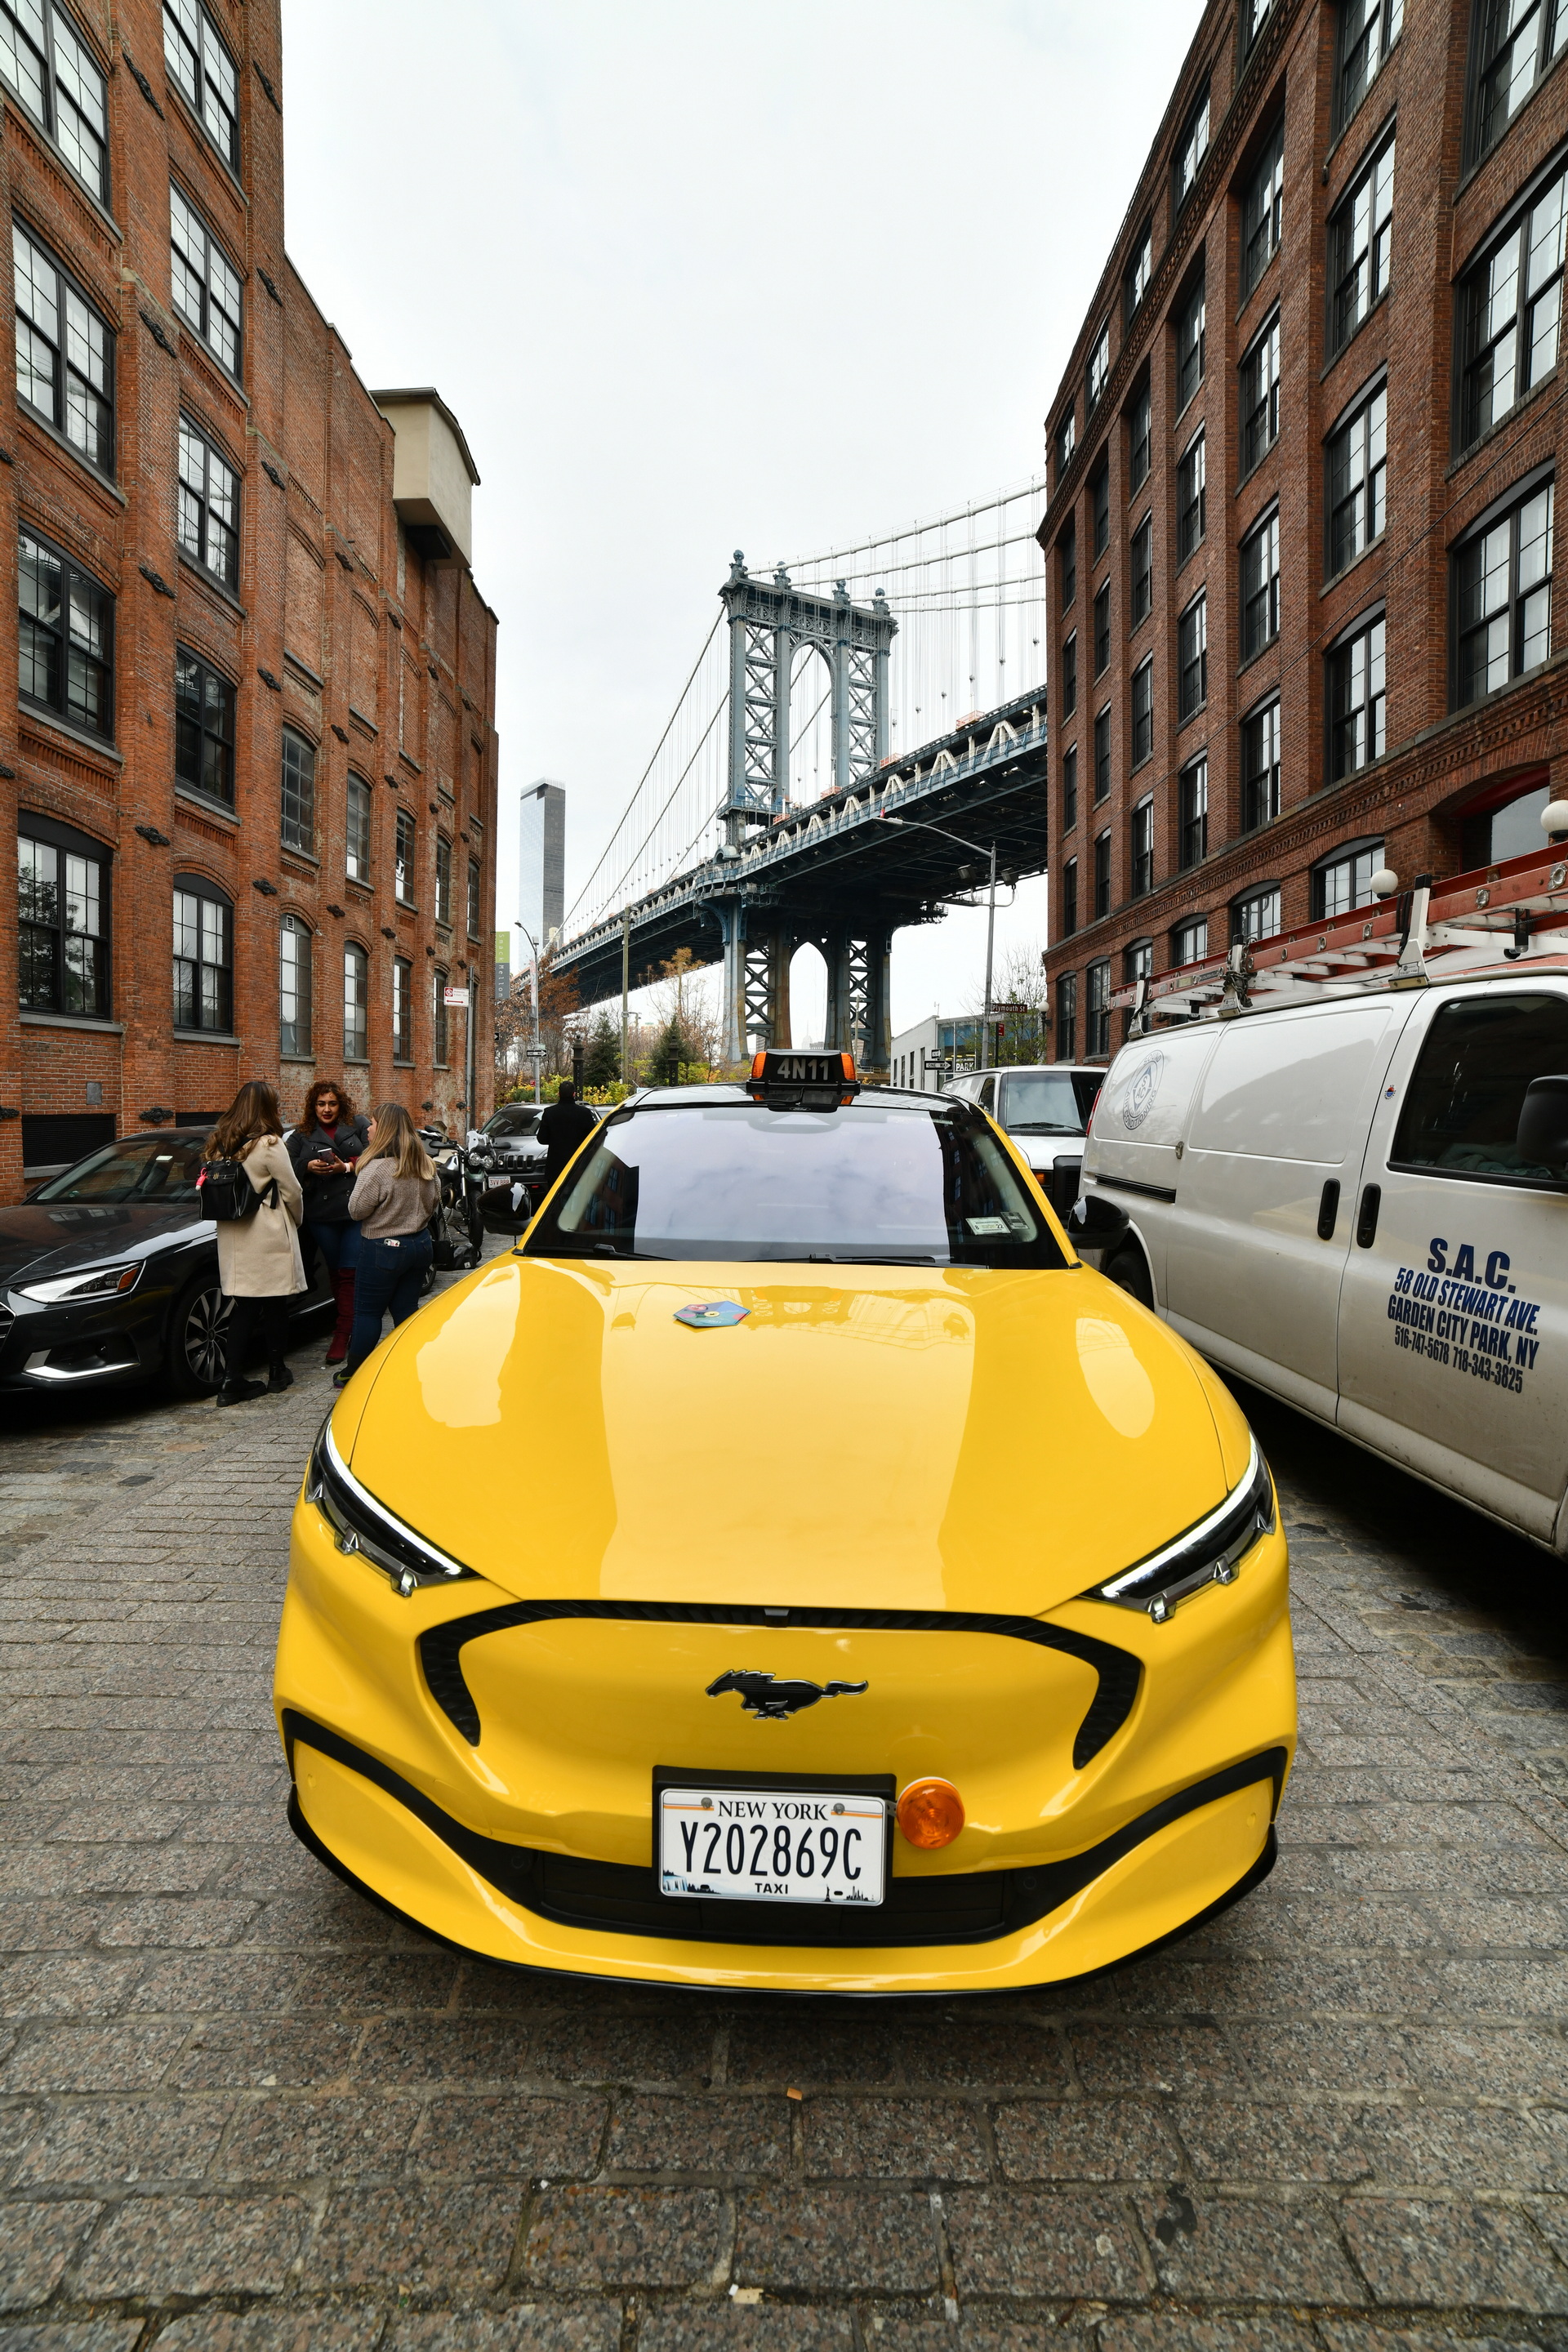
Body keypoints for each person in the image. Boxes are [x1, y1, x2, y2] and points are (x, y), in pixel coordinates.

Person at [207, 1080, 306, 1406]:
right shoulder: (268, 1143)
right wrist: (297, 1220)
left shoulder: (220, 1143)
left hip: (234, 1235)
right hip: (267, 1232)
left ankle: (231, 1379)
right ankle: (276, 1373)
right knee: (275, 1304)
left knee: (245, 1307)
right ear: (268, 1108)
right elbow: (291, 1189)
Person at [337, 1102, 441, 1387]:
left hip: (383, 1248)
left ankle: (354, 1373)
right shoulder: (425, 1164)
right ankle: (410, 1364)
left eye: (372, 1123)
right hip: (419, 1246)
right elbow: (433, 1203)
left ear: (383, 1129)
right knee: (406, 1310)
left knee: (368, 1313)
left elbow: (356, 1210)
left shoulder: (378, 1169)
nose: (368, 1129)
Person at [287, 1078, 369, 1366]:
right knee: (336, 1272)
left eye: (332, 1103)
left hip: (353, 1211)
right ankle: (349, 1326)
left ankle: (343, 1333)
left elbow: (378, 1156)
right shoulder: (301, 1134)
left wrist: (345, 1166)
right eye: (321, 1104)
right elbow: (286, 1168)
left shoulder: (357, 1124)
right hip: (320, 1215)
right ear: (313, 1106)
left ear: (340, 1105)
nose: (327, 1109)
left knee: (349, 1272)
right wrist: (307, 1166)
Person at [536, 1081, 597, 1184]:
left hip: (556, 1167)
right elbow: (592, 1139)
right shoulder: (585, 1113)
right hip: (578, 1165)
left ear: (559, 1094)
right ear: (574, 1094)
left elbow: (542, 1139)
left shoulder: (549, 1113)